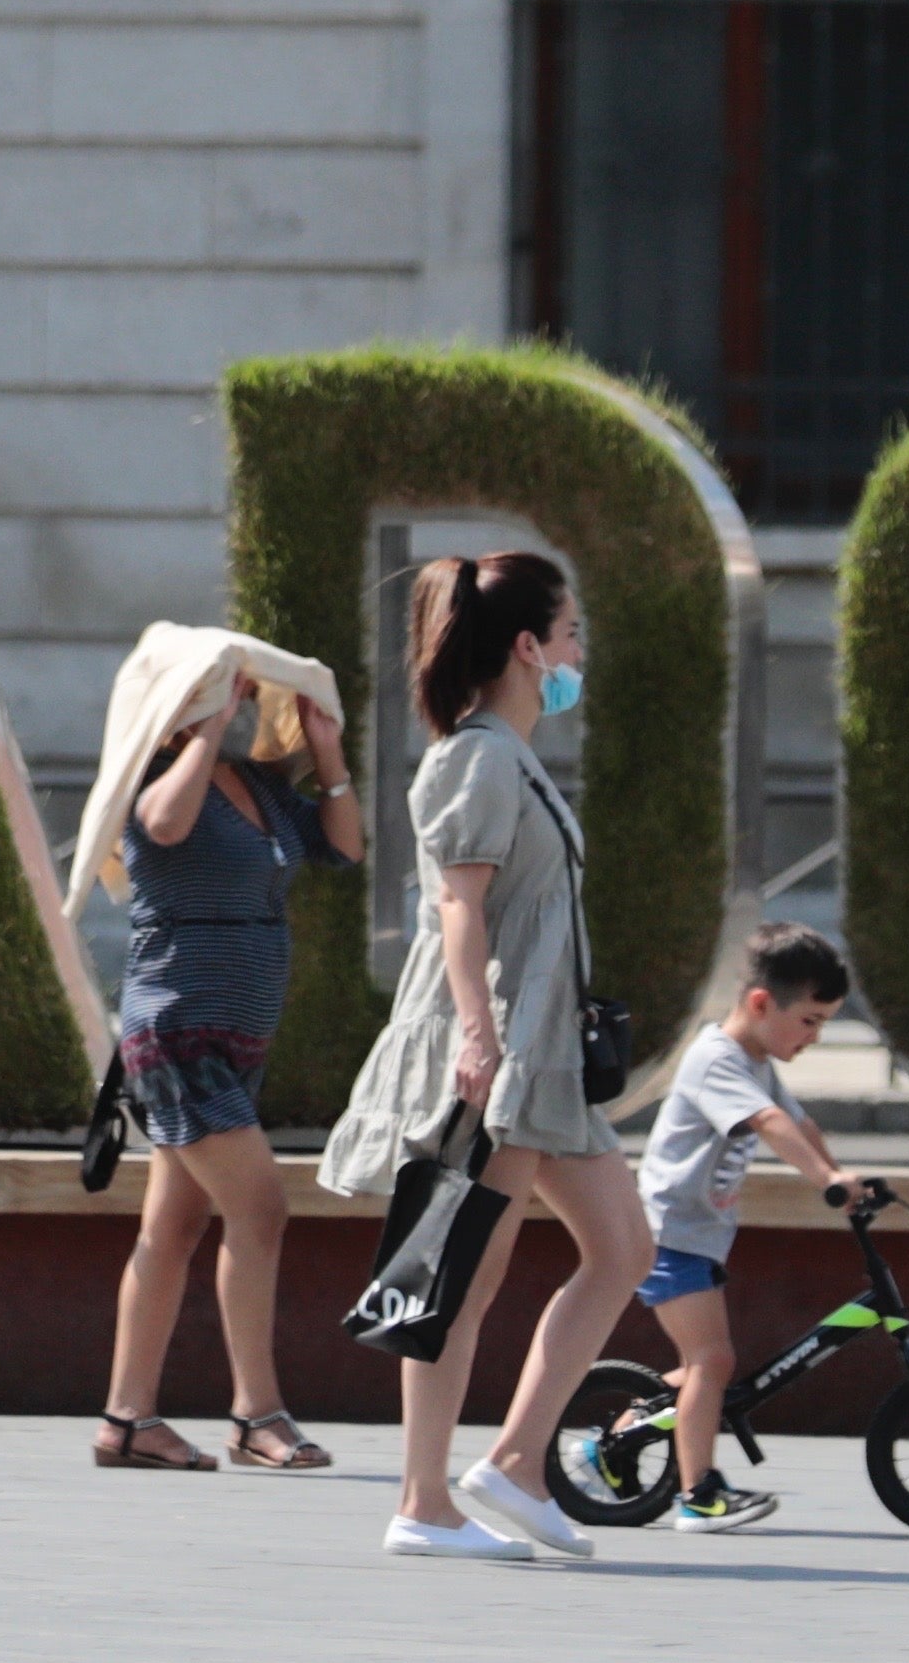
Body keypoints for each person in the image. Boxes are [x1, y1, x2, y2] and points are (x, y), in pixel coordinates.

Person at [316, 548, 660, 1565]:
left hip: (536, 1048)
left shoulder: (505, 755)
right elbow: (456, 904)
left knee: (621, 1247)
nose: (577, 652)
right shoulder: (475, 757)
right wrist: (478, 1031)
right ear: (526, 645)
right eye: (570, 634)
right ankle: (424, 1501)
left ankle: (511, 1461)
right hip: (500, 1050)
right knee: (465, 1270)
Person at [71, 621, 365, 1471]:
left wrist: (326, 751)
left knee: (173, 1222)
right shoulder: (156, 776)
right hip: (177, 1029)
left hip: (237, 1035)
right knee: (260, 1205)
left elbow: (343, 844)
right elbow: (161, 827)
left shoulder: (257, 786)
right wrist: (198, 731)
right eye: (215, 690)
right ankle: (256, 1413)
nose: (234, 706)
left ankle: (127, 1420)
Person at [624, 923, 885, 1530]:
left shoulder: (756, 1060)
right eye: (812, 1021)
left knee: (702, 1368)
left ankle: (614, 1439)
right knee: (712, 1362)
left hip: (696, 1237)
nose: (817, 1036)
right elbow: (769, 1123)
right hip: (670, 1237)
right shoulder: (716, 1060)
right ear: (762, 1004)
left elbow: (799, 1122)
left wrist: (840, 1173)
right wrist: (824, 1181)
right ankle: (698, 1496)